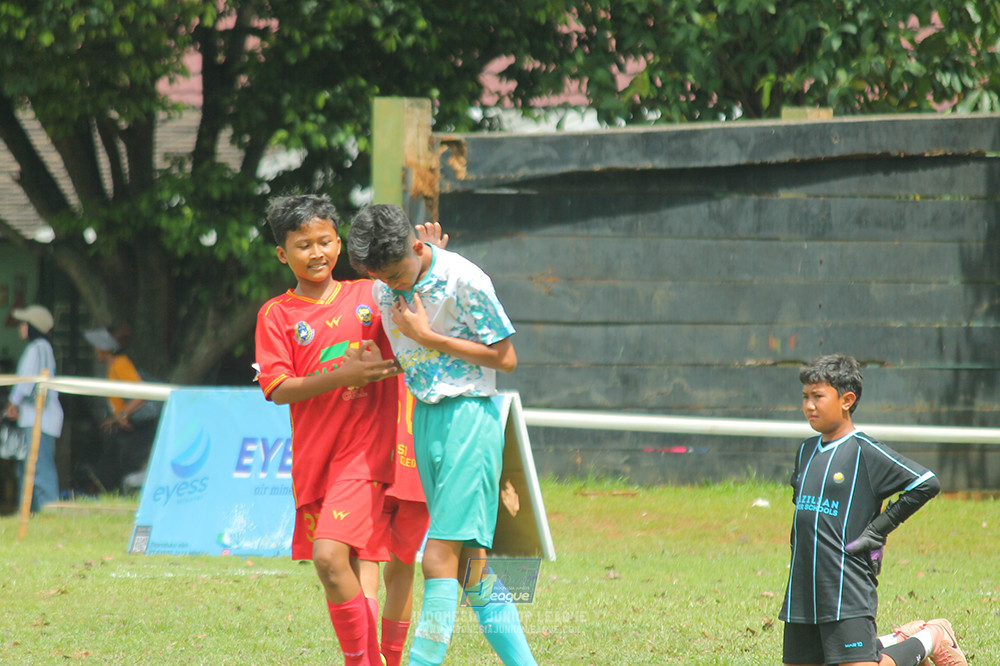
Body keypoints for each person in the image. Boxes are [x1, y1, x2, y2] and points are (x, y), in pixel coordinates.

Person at [347, 204, 537, 666]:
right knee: (473, 572)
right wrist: (376, 365)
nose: (392, 285)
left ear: (416, 246)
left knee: (437, 560)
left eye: (396, 273)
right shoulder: (384, 285)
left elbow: (506, 358)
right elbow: (410, 354)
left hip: (469, 417)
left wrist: (429, 337)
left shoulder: (467, 279)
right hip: (425, 419)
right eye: (382, 277)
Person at [254, 193, 404, 666]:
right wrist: (343, 376)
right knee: (355, 566)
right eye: (303, 245)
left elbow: (409, 343)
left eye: (325, 241)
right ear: (283, 254)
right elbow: (278, 388)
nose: (316, 253)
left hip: (365, 454)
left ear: (340, 244)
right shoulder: (276, 315)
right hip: (316, 458)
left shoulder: (369, 294)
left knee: (328, 557)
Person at [780, 353, 967, 666]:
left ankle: (931, 637)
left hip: (846, 587)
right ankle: (897, 639)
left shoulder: (866, 452)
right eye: (805, 397)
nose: (809, 405)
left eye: (818, 397)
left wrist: (878, 530)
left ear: (846, 400)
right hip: (802, 591)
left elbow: (926, 483)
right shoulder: (805, 451)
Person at [358, 386, 430, 666]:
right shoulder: (433, 346)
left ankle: (367, 658)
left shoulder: (373, 344)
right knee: (402, 569)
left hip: (375, 463)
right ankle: (391, 659)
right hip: (419, 469)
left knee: (365, 565)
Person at [79, 327, 159, 493]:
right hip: (131, 424)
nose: (95, 351)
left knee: (131, 462)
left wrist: (123, 415)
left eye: (97, 347)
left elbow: (141, 394)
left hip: (141, 426)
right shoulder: (113, 366)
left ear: (104, 350)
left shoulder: (120, 364)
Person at [4, 305, 63, 511]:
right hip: (37, 419)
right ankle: (34, 516)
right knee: (30, 470)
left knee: (39, 469)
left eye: (24, 323)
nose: (20, 327)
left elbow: (26, 382)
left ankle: (49, 513)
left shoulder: (36, 348)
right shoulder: (44, 347)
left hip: (39, 420)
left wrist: (13, 404)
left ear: (32, 327)